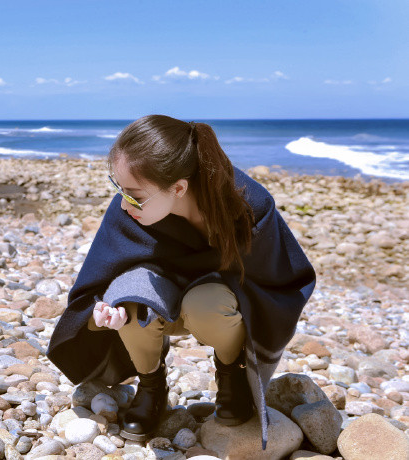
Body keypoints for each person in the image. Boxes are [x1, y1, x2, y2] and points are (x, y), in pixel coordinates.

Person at [46, 114, 316, 450]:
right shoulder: (129, 210)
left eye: (135, 194)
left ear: (178, 188)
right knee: (127, 297)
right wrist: (101, 312)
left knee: (204, 303)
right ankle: (151, 384)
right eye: (118, 187)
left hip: (218, 304)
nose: (124, 201)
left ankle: (231, 373)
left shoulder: (246, 207)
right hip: (158, 301)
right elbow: (98, 279)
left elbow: (278, 281)